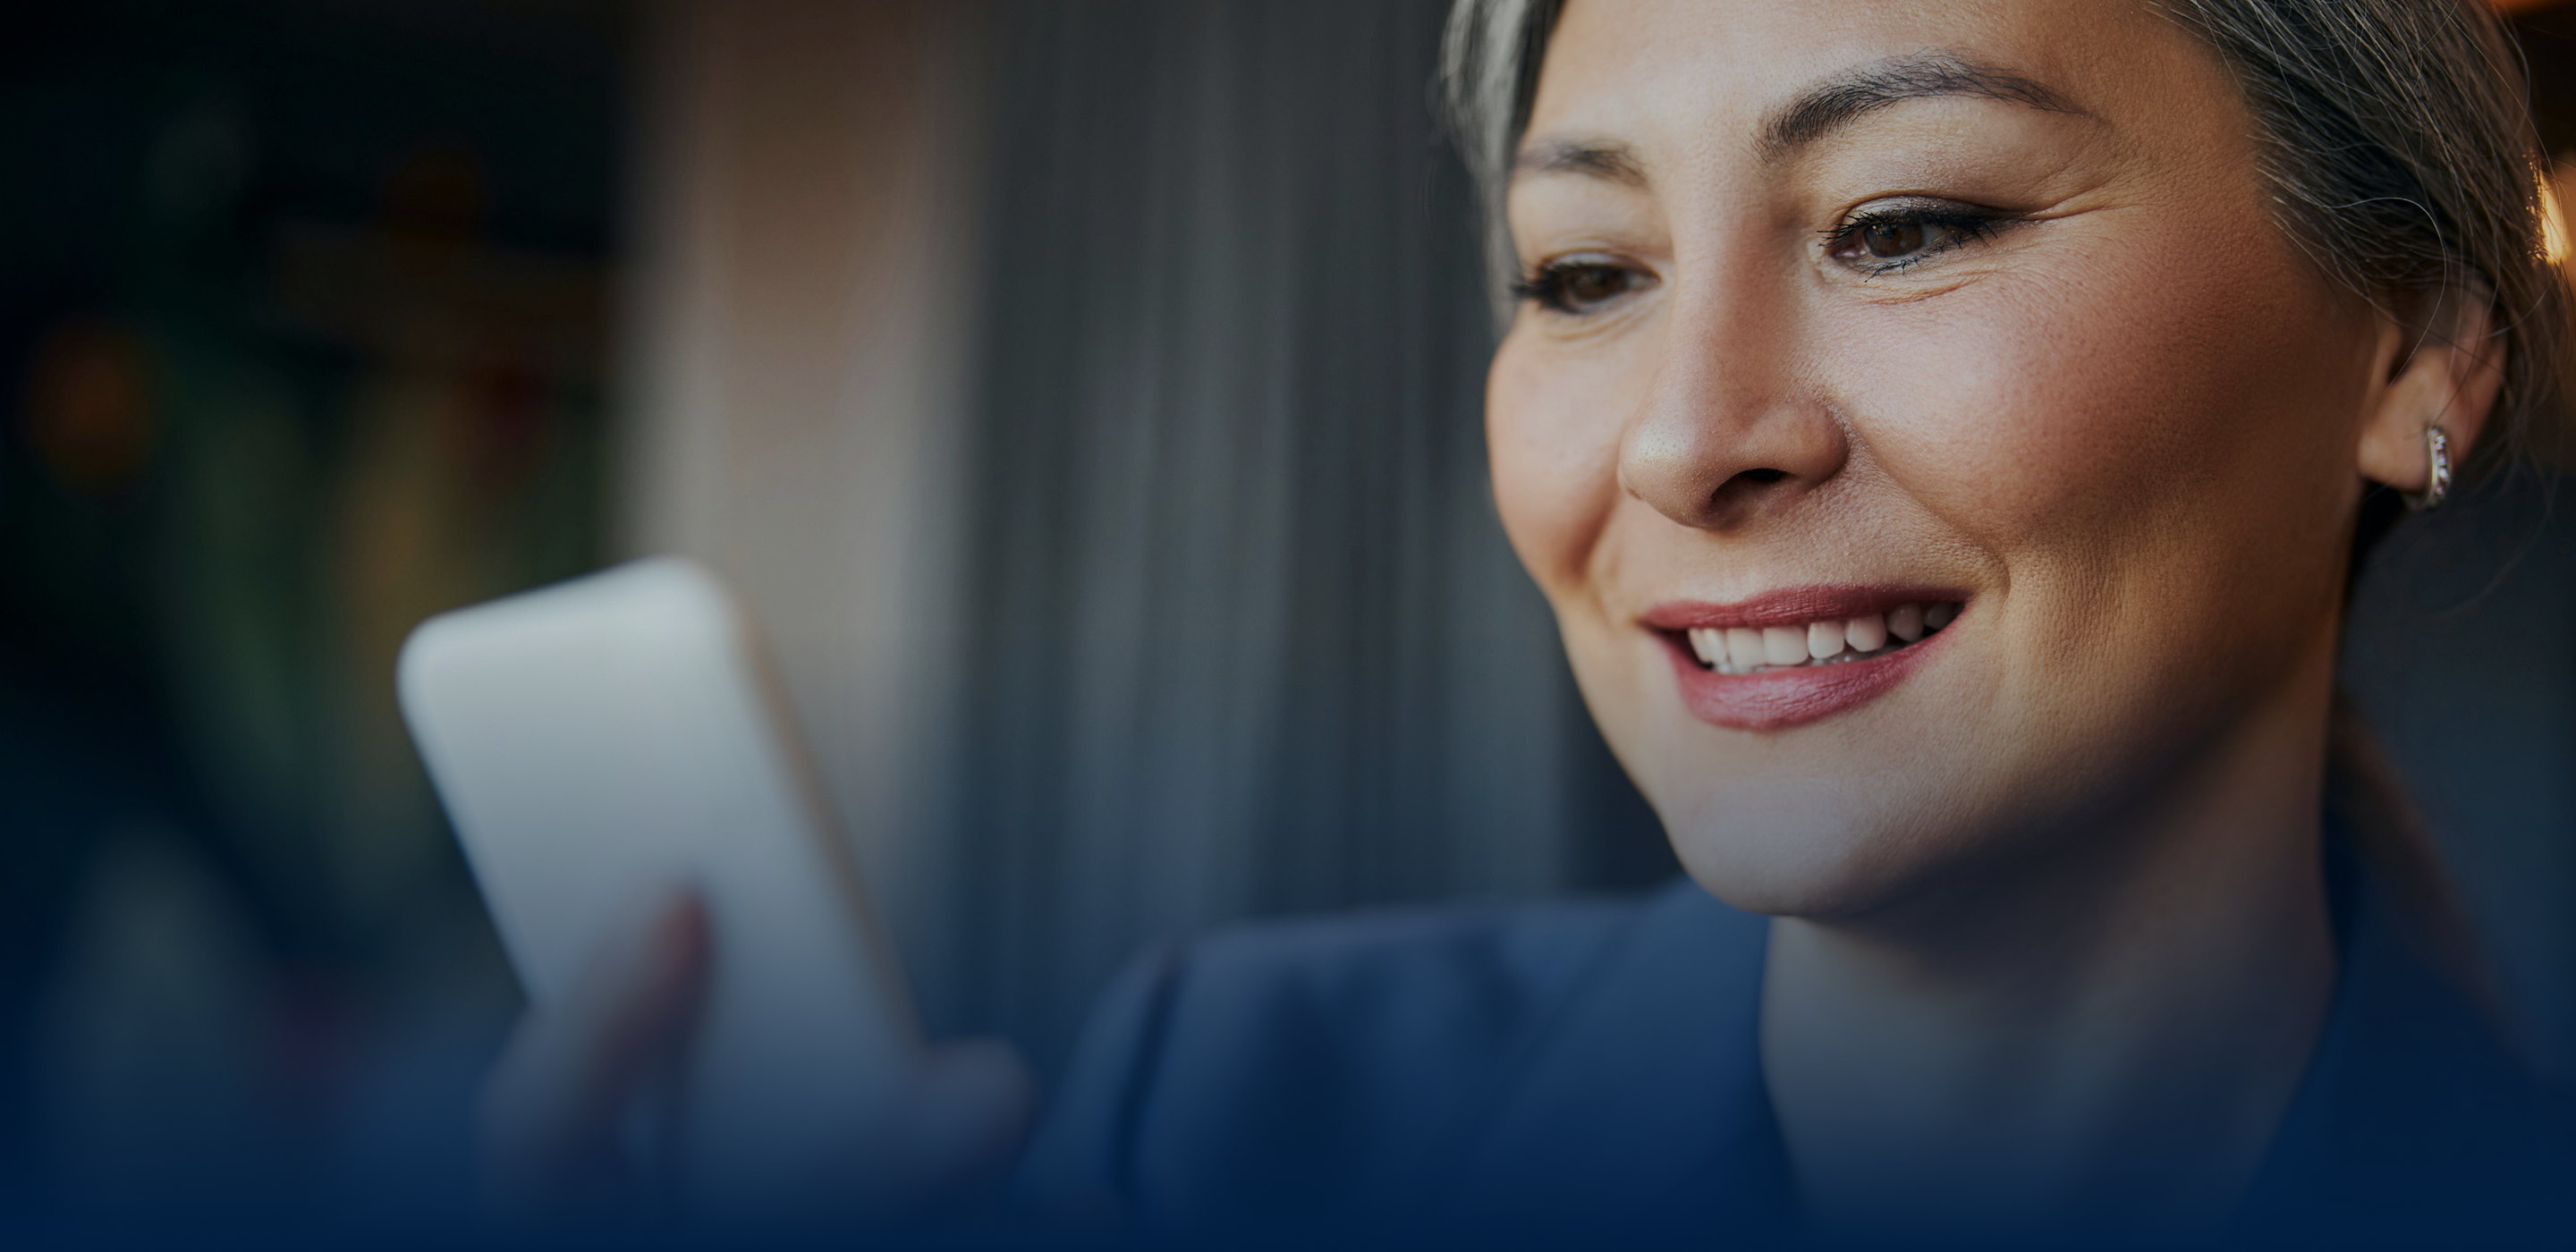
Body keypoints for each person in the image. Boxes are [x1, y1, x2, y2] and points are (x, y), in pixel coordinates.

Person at [479, 0, 2576, 1245]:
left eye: (1906, 221)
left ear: (2418, 346)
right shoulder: (1231, 1125)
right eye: (1585, 274)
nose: (1683, 441)